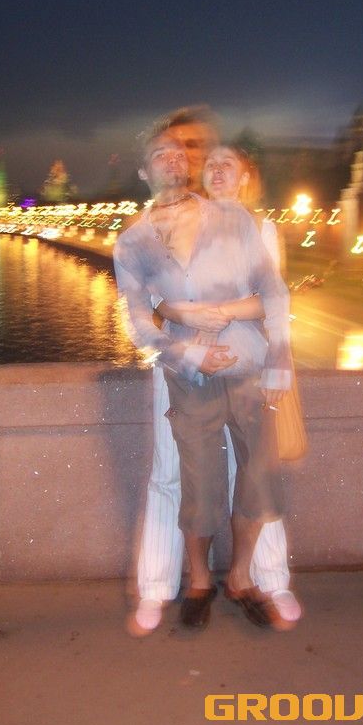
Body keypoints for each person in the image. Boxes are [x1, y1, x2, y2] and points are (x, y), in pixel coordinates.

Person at [114, 124, 294, 633]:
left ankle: (241, 577)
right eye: (160, 154)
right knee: (198, 481)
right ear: (144, 172)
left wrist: (280, 357)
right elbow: (137, 324)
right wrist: (190, 350)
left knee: (257, 477)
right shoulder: (132, 242)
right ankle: (197, 581)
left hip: (249, 366)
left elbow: (272, 290)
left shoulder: (231, 218)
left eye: (179, 153)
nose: (174, 159)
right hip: (189, 376)